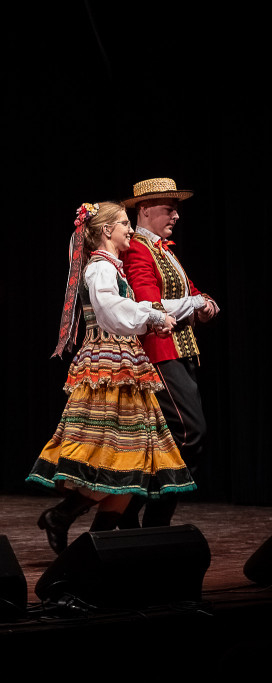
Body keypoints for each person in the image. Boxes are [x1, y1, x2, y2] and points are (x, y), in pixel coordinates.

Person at [29, 202, 204, 553]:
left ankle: (100, 539)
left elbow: (128, 307)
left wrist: (165, 311)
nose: (129, 229)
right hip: (108, 366)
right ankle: (68, 518)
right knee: (116, 456)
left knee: (135, 459)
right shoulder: (99, 269)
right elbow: (111, 310)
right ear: (107, 230)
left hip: (126, 363)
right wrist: (152, 316)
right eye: (125, 223)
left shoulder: (113, 268)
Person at [120, 178, 218, 528]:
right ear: (144, 209)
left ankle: (141, 516)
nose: (175, 215)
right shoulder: (136, 249)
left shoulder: (165, 250)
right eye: (168, 208)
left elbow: (191, 290)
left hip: (182, 350)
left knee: (175, 441)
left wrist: (205, 301)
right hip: (157, 351)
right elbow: (148, 302)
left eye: (176, 209)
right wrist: (194, 303)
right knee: (191, 433)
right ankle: (134, 511)